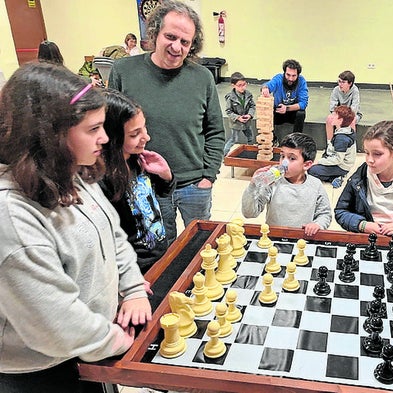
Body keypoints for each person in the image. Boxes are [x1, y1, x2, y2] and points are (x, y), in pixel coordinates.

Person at [0, 62, 152, 393]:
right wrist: (113, 339)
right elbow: (53, 322)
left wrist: (133, 289)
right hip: (43, 371)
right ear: (52, 135)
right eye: (93, 128)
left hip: (92, 347)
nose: (105, 138)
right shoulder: (11, 216)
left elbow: (114, 235)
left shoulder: (73, 171)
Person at [108, 0, 225, 244]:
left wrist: (208, 176)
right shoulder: (123, 71)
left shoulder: (203, 78)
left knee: (200, 246)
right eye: (170, 37)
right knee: (160, 250)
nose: (177, 47)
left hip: (194, 183)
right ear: (154, 33)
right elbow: (112, 129)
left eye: (185, 42)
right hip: (144, 183)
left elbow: (215, 131)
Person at [100, 89, 176, 274]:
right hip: (135, 268)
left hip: (158, 251)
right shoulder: (101, 180)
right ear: (111, 137)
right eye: (135, 134)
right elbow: (107, 241)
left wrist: (166, 175)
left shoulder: (138, 159)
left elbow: (160, 193)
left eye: (144, 128)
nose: (147, 137)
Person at [241, 133, 332, 237]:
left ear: (306, 164)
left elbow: (325, 214)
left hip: (302, 238)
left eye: (292, 158)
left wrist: (317, 224)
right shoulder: (273, 183)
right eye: (282, 156)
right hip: (274, 237)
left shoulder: (315, 185)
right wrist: (253, 185)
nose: (284, 162)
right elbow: (249, 213)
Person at [308, 105, 357, 188]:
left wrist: (320, 162)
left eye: (335, 115)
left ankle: (334, 177)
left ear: (340, 120)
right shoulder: (347, 130)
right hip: (338, 160)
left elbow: (338, 159)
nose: (332, 117)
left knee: (312, 171)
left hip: (341, 166)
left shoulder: (342, 138)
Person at [261, 59, 309, 135]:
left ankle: (296, 139)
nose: (290, 78)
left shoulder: (301, 81)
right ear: (284, 73)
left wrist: (287, 108)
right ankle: (272, 139)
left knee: (301, 113)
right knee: (267, 111)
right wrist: (265, 88)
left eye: (294, 76)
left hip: (291, 112)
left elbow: (303, 104)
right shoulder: (278, 78)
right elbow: (268, 85)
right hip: (277, 112)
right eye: (288, 75)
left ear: (298, 75)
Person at [223, 72, 256, 155]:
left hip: (246, 122)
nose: (243, 87)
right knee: (234, 139)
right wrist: (237, 117)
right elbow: (228, 111)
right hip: (236, 123)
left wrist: (249, 115)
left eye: (244, 84)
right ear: (233, 85)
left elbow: (252, 106)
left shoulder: (248, 95)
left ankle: (251, 152)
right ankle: (224, 155)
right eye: (239, 85)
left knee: (250, 137)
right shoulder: (230, 98)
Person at [325, 70, 362, 142]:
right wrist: (337, 116)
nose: (340, 84)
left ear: (350, 83)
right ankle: (329, 144)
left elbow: (354, 108)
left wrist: (344, 117)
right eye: (339, 81)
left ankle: (352, 144)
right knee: (329, 119)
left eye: (343, 82)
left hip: (352, 114)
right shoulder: (336, 90)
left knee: (352, 121)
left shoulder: (355, 91)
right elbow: (333, 107)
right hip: (339, 114)